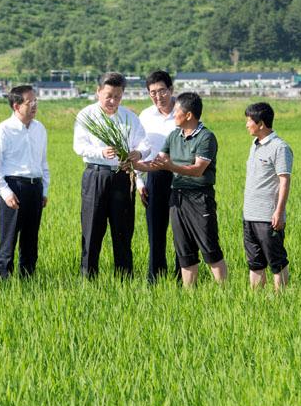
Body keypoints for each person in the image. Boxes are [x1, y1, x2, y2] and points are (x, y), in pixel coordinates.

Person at [73, 72, 150, 278]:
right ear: (98, 92)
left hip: (123, 177)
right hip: (95, 176)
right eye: (108, 95)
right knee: (92, 231)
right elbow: (79, 146)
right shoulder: (86, 115)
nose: (113, 101)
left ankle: (124, 279)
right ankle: (88, 278)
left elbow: (145, 143)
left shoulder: (129, 117)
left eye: (117, 96)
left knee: (123, 231)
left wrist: (138, 153)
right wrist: (101, 152)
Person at [151, 92, 227, 287]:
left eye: (176, 111)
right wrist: (134, 164)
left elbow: (198, 169)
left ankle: (224, 292)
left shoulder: (206, 137)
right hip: (177, 198)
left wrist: (171, 167)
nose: (173, 114)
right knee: (184, 251)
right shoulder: (174, 135)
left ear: (189, 115)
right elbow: (158, 162)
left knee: (209, 248)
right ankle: (189, 295)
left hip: (199, 197)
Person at [0, 85, 50, 279]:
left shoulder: (39, 129)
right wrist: (5, 193)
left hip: (35, 187)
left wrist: (44, 190)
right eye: (29, 102)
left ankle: (28, 281)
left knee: (31, 241)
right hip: (13, 187)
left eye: (35, 101)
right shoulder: (2, 130)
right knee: (8, 240)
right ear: (16, 106)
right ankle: (4, 283)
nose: (34, 105)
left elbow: (43, 163)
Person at [135, 70, 181, 283]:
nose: (158, 96)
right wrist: (139, 181)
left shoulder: (183, 111)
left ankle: (184, 277)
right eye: (152, 92)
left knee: (182, 229)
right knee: (155, 229)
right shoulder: (145, 116)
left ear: (171, 90)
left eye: (162, 91)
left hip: (180, 176)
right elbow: (138, 149)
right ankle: (155, 277)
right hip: (154, 176)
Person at [243, 102, 293, 290]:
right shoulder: (254, 146)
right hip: (249, 215)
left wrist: (278, 212)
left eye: (249, 121)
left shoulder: (280, 147)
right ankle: (257, 302)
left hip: (268, 217)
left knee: (276, 261)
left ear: (261, 123)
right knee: (255, 261)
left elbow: (284, 180)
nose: (247, 125)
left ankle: (282, 300)